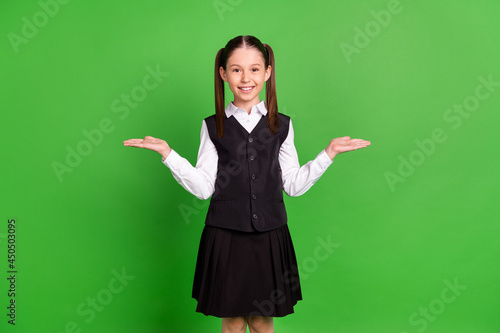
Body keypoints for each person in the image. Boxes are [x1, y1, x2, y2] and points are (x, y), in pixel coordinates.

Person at [123, 35, 370, 333]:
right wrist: (168, 153)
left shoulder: (282, 125)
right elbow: (203, 187)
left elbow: (292, 184)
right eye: (236, 70)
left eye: (254, 69)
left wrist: (327, 154)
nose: (246, 78)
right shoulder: (213, 126)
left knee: (262, 321)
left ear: (267, 73)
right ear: (223, 74)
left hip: (269, 235)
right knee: (234, 321)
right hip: (226, 235)